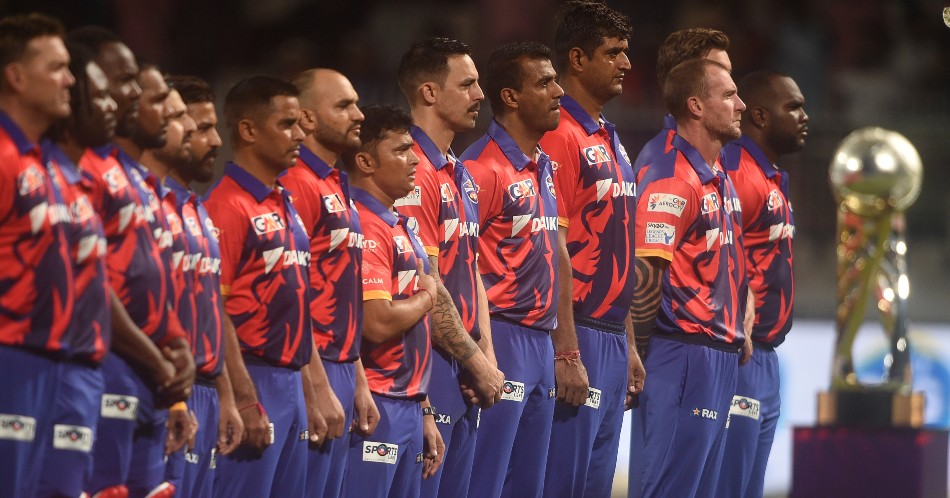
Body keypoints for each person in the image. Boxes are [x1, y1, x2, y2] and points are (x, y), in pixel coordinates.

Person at [69, 26, 193, 498]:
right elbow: (92, 279)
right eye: (124, 82)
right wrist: (157, 358)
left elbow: (155, 275)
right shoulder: (85, 169)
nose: (135, 94)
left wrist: (175, 344)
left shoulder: (136, 179)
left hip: (152, 368)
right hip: (112, 360)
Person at [537, 3, 643, 497]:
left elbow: (619, 249)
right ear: (577, 59)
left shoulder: (610, 139)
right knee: (564, 482)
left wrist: (629, 344)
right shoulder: (560, 136)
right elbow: (551, 246)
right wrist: (567, 349)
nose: (626, 63)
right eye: (614, 52)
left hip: (611, 338)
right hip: (578, 331)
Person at [631, 58, 748, 498]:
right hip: (682, 354)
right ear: (696, 106)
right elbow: (646, 273)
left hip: (717, 354)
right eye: (729, 95)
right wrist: (637, 354)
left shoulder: (716, 175)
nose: (741, 104)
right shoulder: (673, 179)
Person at [395, 37, 505, 498]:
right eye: (468, 84)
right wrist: (476, 360)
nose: (480, 95)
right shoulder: (411, 171)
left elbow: (470, 265)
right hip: (429, 364)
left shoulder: (457, 171)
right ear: (429, 92)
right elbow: (426, 282)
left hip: (462, 362)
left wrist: (486, 352)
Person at [204, 76, 316, 498]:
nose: (300, 134)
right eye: (287, 124)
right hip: (253, 376)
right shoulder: (225, 206)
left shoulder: (284, 200)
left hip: (292, 381)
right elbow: (216, 309)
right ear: (249, 130)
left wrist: (309, 389)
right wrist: (244, 396)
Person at [463, 41, 562, 498]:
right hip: (501, 336)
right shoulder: (480, 168)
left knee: (528, 486)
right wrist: (480, 349)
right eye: (545, 83)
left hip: (541, 339)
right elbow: (458, 263)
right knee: (486, 480)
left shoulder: (543, 165)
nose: (559, 91)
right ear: (511, 96)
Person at [282, 68, 380, 498]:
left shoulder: (333, 183)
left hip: (340, 366)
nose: (358, 114)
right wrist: (317, 384)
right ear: (306, 118)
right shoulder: (296, 183)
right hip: (310, 366)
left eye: (356, 103)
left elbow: (342, 291)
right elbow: (290, 294)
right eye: (343, 106)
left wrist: (358, 379)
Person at [341, 104, 442, 498]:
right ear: (365, 162)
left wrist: (424, 408)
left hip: (407, 402)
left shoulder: (397, 222)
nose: (414, 159)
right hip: (375, 402)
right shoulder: (364, 226)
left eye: (412, 148)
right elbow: (377, 322)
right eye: (401, 150)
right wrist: (428, 296)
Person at [716, 71, 807, 498]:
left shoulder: (767, 175)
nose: (805, 116)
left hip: (766, 359)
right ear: (759, 115)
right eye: (794, 107)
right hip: (740, 354)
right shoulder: (736, 170)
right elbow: (714, 255)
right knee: (727, 487)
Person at [0, 13, 78, 498]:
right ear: (16, 76)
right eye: (56, 68)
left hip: (48, 360)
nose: (69, 80)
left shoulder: (42, 162)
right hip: (10, 357)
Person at [158, 74, 243, 498]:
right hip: (172, 390)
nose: (215, 141)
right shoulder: (156, 205)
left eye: (213, 127)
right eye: (200, 128)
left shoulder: (197, 209)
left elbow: (212, 309)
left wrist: (226, 395)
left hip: (207, 392)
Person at [39, 39, 114, 498]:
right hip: (41, 365)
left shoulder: (80, 182)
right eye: (101, 94)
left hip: (87, 367)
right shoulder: (28, 170)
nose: (114, 104)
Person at [632, 28, 732, 177]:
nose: (730, 83)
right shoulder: (665, 169)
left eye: (728, 73)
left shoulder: (713, 153)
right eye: (718, 72)